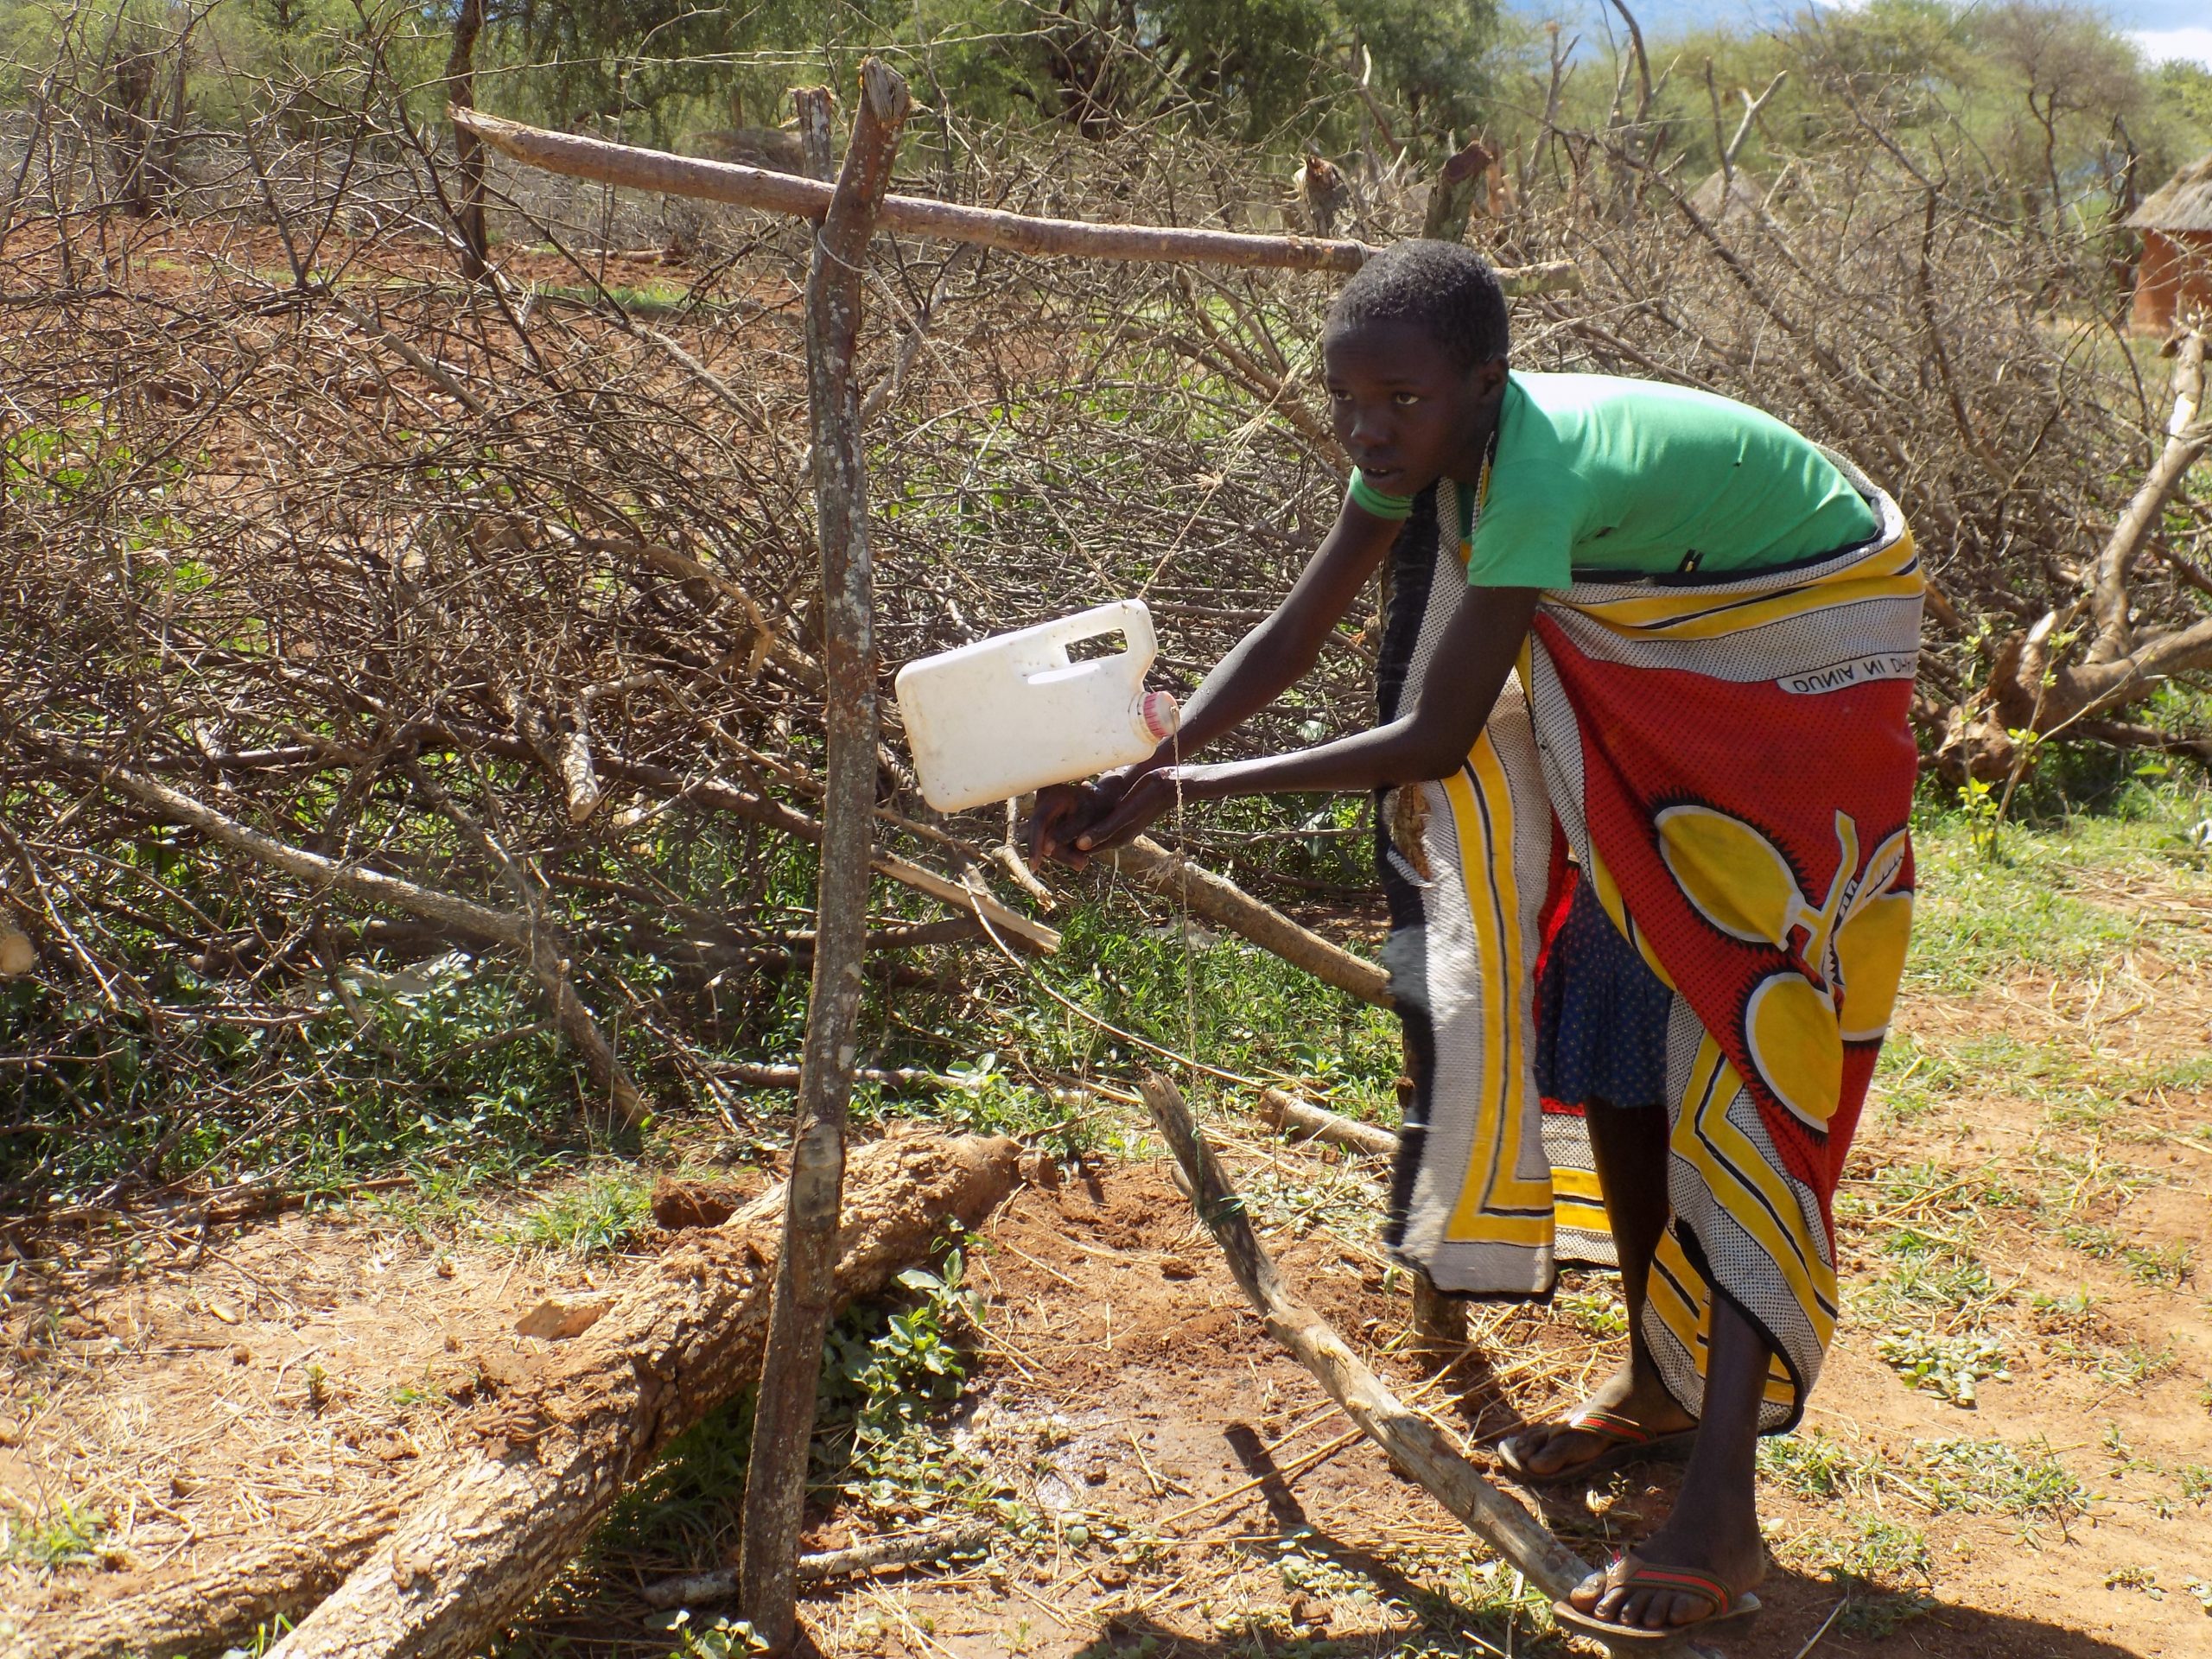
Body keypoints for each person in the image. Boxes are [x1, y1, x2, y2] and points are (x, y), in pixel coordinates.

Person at [1028, 239, 1924, 1641]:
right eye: (1346, 401)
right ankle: (1655, 1388)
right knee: (1628, 1020)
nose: (1370, 430)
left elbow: (1437, 735)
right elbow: (1297, 626)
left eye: (1400, 401)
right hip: (1664, 688)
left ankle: (1725, 1520)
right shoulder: (1428, 449)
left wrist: (1185, 790)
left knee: (1748, 1054)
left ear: (1483, 387)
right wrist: (1155, 752)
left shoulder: (1534, 472)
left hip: (1792, 658)